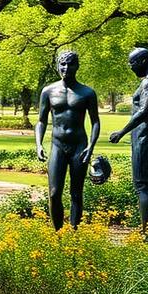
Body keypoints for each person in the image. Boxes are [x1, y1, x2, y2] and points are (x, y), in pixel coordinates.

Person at [35, 50, 101, 230]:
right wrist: (39, 143)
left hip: (79, 145)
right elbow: (41, 120)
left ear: (77, 66)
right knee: (54, 192)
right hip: (57, 145)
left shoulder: (87, 93)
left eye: (70, 64)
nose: (66, 68)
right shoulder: (48, 91)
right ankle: (57, 233)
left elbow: (95, 121)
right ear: (58, 66)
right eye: (62, 64)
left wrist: (91, 147)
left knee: (76, 193)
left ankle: (74, 232)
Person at [110, 48, 148, 232]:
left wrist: (121, 132)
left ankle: (147, 232)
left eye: (132, 63)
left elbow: (143, 112)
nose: (131, 67)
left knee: (142, 185)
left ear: (143, 61)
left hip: (146, 139)